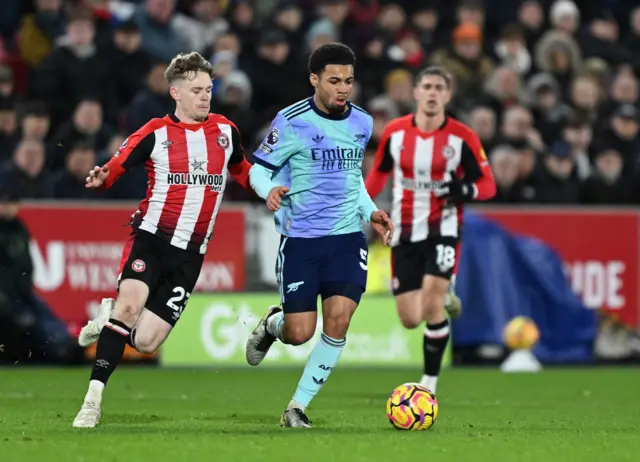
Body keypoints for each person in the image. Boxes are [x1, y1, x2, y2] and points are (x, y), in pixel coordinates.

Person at [72, 51, 252, 428]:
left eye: (209, 89)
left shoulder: (225, 131)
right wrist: (104, 177)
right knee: (130, 308)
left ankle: (107, 314)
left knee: (148, 341)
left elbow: (243, 171)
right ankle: (92, 400)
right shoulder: (156, 132)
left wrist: (270, 189)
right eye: (198, 90)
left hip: (191, 254)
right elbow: (118, 162)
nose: (206, 96)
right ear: (176, 92)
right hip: (152, 239)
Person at [245, 43, 394, 428]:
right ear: (314, 80)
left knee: (339, 320)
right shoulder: (291, 121)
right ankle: (273, 325)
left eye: (348, 80)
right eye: (334, 81)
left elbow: (352, 178)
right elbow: (258, 169)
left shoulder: (361, 122)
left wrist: (370, 211)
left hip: (346, 238)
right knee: (299, 333)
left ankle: (296, 407)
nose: (343, 88)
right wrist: (269, 190)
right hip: (301, 240)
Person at [365, 66, 496, 393]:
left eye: (440, 87)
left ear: (448, 95)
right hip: (405, 231)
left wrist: (465, 191)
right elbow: (378, 176)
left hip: (444, 228)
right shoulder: (395, 133)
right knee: (410, 318)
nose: (433, 92)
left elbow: (488, 184)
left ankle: (429, 383)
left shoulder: (462, 137)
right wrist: (364, 207)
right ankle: (444, 291)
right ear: (417, 92)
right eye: (428, 86)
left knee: (432, 304)